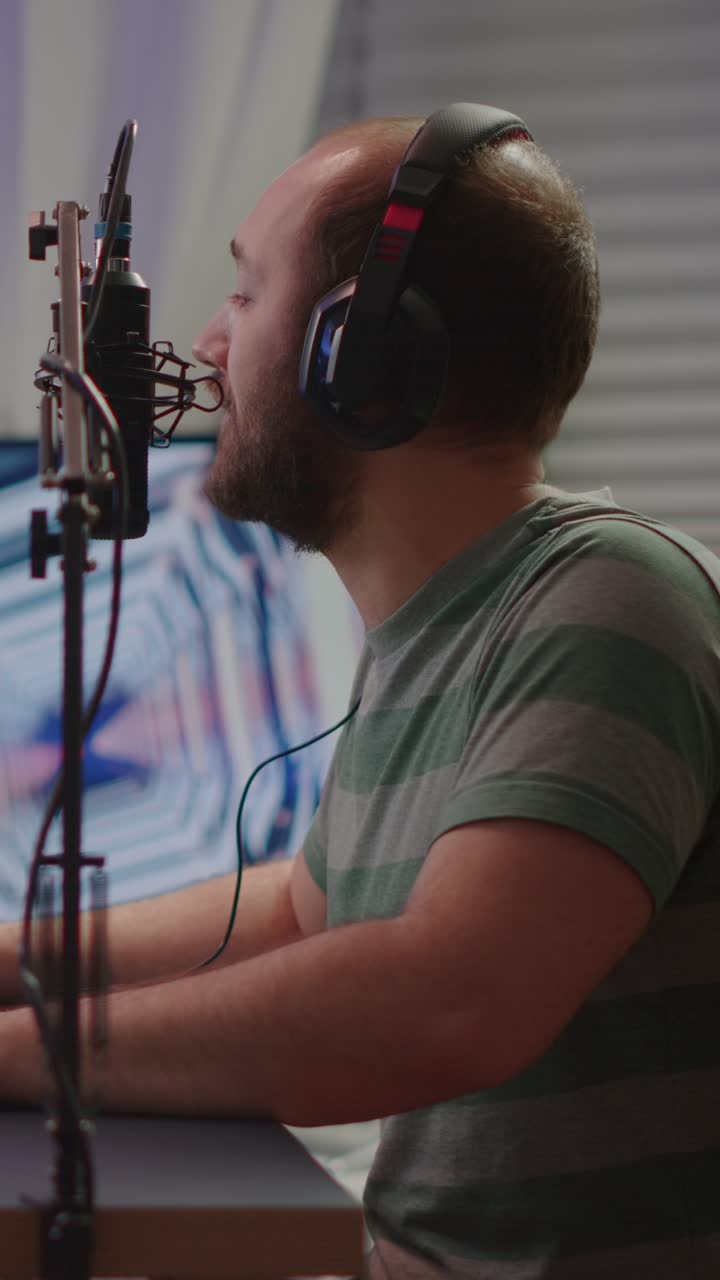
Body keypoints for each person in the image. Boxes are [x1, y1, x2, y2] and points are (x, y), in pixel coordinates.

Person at [1, 108, 719, 1279]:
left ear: (361, 353)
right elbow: (307, 912)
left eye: (246, 292)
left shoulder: (610, 599)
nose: (209, 340)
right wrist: (10, 963)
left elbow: (443, 995)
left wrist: (28, 1050)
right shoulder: (441, 625)